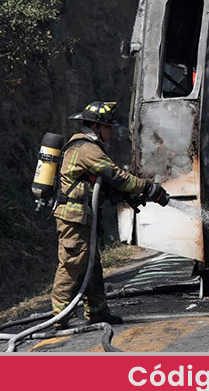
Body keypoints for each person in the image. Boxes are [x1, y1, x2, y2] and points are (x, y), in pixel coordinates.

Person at [52, 101, 168, 329]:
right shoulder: (86, 148)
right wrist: (148, 188)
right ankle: (59, 316)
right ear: (96, 127)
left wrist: (124, 196)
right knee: (72, 263)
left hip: (84, 216)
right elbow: (117, 176)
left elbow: (105, 183)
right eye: (108, 127)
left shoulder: (88, 146)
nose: (111, 132)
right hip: (73, 217)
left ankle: (97, 312)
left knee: (92, 264)